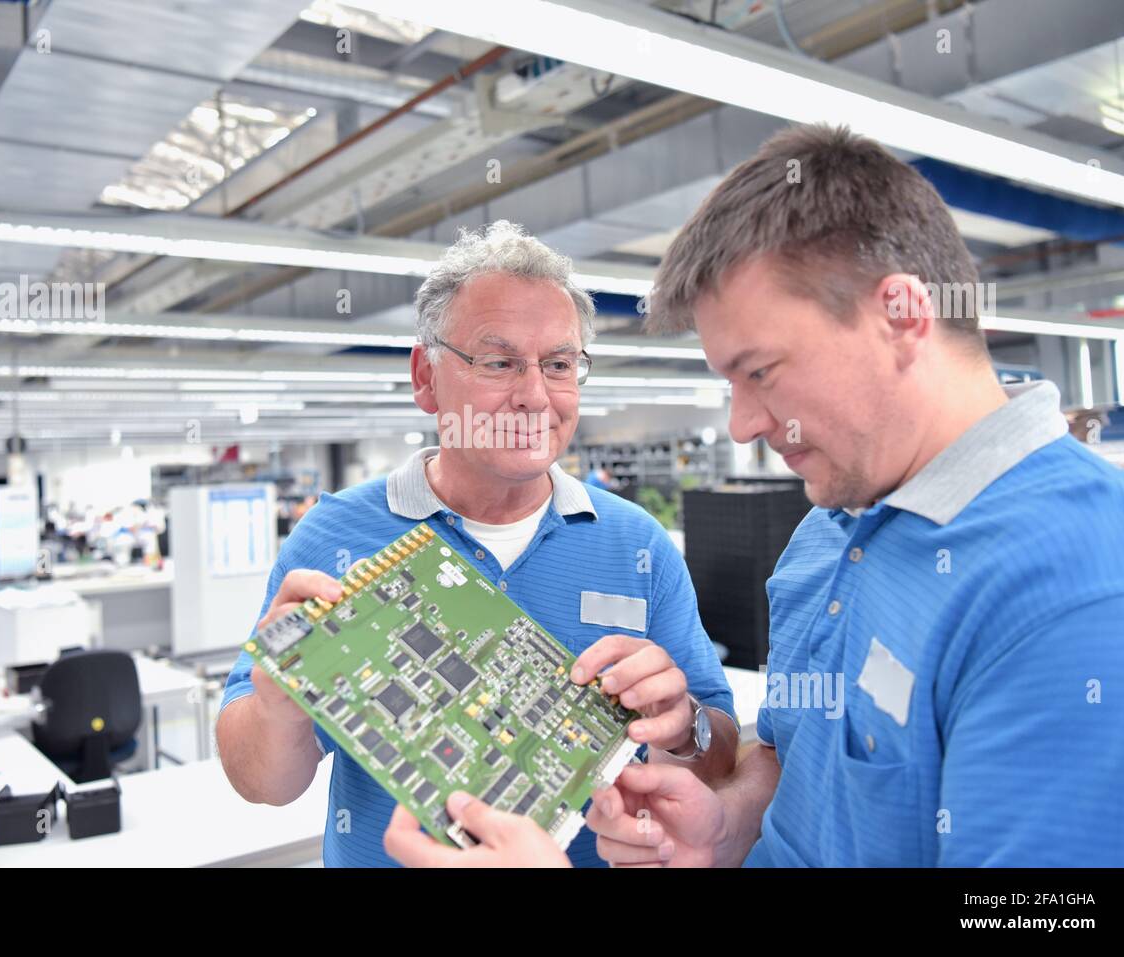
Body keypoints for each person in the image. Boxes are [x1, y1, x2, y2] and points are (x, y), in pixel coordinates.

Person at [384, 124, 1124, 868]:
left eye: (762, 372)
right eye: (728, 381)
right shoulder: (828, 527)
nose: (744, 421)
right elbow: (792, 758)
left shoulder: (1081, 586)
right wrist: (729, 824)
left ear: (903, 317)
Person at [216, 221, 739, 867]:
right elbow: (261, 783)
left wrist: (683, 724)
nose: (534, 395)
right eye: (499, 362)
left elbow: (718, 756)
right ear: (426, 377)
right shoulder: (334, 537)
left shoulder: (638, 543)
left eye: (559, 364)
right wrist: (278, 703)